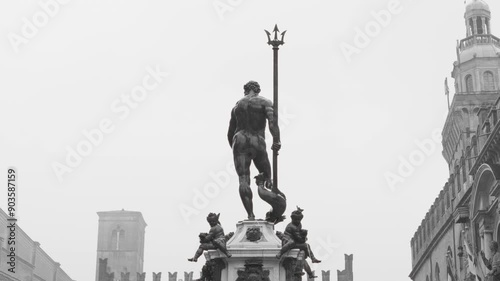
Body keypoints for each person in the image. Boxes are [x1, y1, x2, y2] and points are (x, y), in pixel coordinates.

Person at [227, 81, 282, 220]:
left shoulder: (237, 106)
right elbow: (272, 123)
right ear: (258, 90)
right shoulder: (265, 102)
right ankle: (271, 195)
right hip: (257, 141)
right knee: (268, 176)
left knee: (243, 179)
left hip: (239, 139)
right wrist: (277, 140)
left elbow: (229, 133)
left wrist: (236, 149)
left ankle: (250, 215)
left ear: (246, 90)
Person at [276, 207, 321, 278]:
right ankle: (280, 253)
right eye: (295, 219)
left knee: (306, 246)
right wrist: (304, 236)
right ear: (292, 219)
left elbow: (299, 235)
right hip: (288, 241)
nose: (297, 221)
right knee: (293, 243)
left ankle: (313, 259)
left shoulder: (299, 224)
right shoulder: (291, 226)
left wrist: (303, 235)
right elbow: (299, 238)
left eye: (299, 219)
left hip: (295, 240)